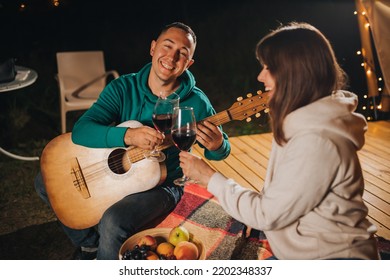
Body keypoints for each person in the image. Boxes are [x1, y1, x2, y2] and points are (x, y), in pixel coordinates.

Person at [178, 22, 380, 259]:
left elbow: (266, 214)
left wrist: (207, 176)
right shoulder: (303, 120)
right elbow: (282, 198)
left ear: (295, 72)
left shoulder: (317, 140)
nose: (260, 75)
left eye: (268, 67)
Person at [34, 22, 230, 260]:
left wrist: (217, 145)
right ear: (153, 47)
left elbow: (220, 150)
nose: (172, 57)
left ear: (188, 64)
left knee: (113, 221)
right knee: (46, 181)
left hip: (162, 183)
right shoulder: (122, 87)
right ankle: (88, 243)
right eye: (167, 47)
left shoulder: (197, 102)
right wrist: (127, 135)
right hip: (117, 171)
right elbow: (81, 131)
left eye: (183, 53)